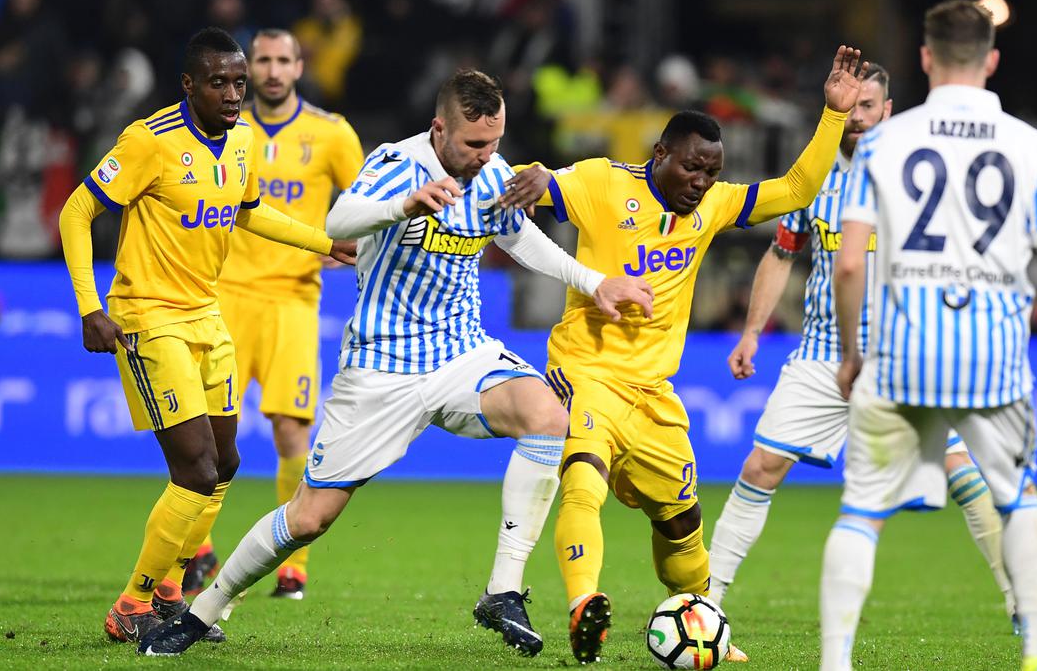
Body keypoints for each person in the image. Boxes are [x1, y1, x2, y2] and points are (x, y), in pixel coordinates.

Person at [138, 68, 654, 658]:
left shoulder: (493, 174)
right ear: (439, 130)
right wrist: (403, 205)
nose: (487, 156)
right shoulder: (396, 164)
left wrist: (594, 282)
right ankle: (204, 611)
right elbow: (339, 221)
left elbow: (517, 238)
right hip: (381, 367)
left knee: (547, 417)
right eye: (475, 144)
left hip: (461, 353)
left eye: (495, 141)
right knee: (308, 519)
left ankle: (503, 590)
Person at [501, 46, 869, 664]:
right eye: (692, 168)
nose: (701, 182)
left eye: (711, 172)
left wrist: (833, 114)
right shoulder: (604, 183)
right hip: (586, 372)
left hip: (654, 396)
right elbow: (542, 183)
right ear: (660, 154)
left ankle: (701, 623)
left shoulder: (713, 206)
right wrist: (535, 174)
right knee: (583, 481)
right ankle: (583, 602)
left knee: (681, 528)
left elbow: (797, 188)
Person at [820, 0, 1037, 671]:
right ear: (991, 60)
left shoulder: (882, 143)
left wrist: (851, 354)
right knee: (1017, 495)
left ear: (924, 57)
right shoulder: (1030, 146)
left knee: (861, 511)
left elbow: (850, 263)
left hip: (900, 353)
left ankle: (835, 662)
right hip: (992, 358)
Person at [57, 27, 355, 644]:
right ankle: (133, 602)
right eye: (219, 82)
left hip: (206, 314)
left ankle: (170, 590)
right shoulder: (149, 140)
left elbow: (251, 211)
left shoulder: (242, 140)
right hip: (148, 317)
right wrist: (90, 307)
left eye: (239, 82)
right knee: (194, 468)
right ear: (189, 85)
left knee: (225, 463)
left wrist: (326, 243)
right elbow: (76, 211)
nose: (233, 93)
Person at [707, 64, 1019, 631]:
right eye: (849, 108)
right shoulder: (814, 176)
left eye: (868, 106)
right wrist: (752, 330)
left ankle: (1017, 597)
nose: (857, 118)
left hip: (901, 352)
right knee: (761, 465)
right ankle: (706, 602)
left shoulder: (917, 174)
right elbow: (782, 253)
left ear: (888, 109)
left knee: (964, 471)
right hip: (824, 351)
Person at [184, 28, 365, 601]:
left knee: (292, 429)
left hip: (293, 299)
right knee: (208, 435)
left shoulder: (331, 133)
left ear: (298, 66)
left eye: (282, 60)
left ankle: (293, 564)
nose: (271, 70)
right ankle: (196, 550)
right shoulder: (222, 128)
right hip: (225, 295)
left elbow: (368, 201)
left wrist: (348, 245)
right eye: (262, 59)